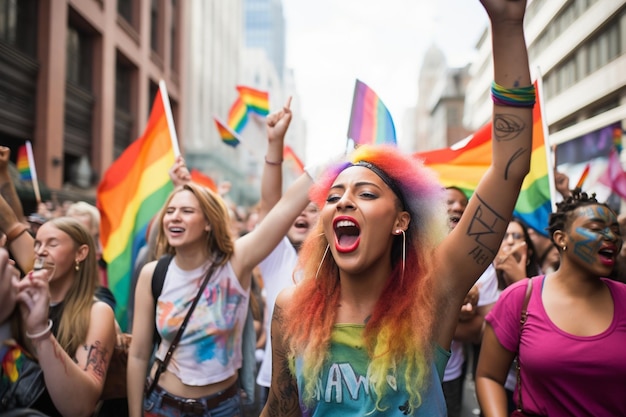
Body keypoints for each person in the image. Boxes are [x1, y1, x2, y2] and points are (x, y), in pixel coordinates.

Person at [261, 1, 534, 414]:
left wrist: (508, 25)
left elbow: (509, 170)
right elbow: (278, 410)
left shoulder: (433, 295)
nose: (344, 201)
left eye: (366, 194)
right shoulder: (290, 308)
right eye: (333, 197)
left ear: (401, 221)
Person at [127, 100, 315, 417]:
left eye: (186, 211)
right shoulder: (153, 274)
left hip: (222, 408)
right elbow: (138, 353)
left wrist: (327, 165)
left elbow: (278, 211)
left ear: (209, 222)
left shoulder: (235, 262)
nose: (174, 217)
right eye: (170, 211)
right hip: (161, 406)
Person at [476, 190, 626, 416]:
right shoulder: (520, 297)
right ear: (561, 238)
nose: (611, 237)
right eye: (596, 229)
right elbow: (489, 376)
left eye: (615, 230)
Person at [9, 217, 117, 416]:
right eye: (38, 244)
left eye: (52, 243)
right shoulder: (23, 299)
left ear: (81, 253)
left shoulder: (97, 312)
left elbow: (82, 406)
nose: (41, 251)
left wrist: (40, 330)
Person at [442, 187, 499, 417]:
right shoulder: (408, 251)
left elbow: (483, 329)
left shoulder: (481, 261)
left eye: (464, 204)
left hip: (449, 375)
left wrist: (443, 315)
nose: (458, 207)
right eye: (449, 202)